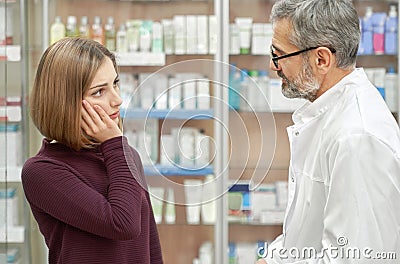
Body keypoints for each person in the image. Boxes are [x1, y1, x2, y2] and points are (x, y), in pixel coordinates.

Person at [257, 0, 400, 263]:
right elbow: (304, 232)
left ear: (321, 59)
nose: (272, 65)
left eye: (278, 55)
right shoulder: (327, 113)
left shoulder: (357, 137)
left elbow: (356, 258)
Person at [21, 37, 163, 264]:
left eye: (115, 83)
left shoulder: (124, 156)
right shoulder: (42, 171)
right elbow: (122, 224)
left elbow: (150, 244)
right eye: (99, 92)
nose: (117, 100)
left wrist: (116, 147)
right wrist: (115, 144)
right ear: (64, 102)